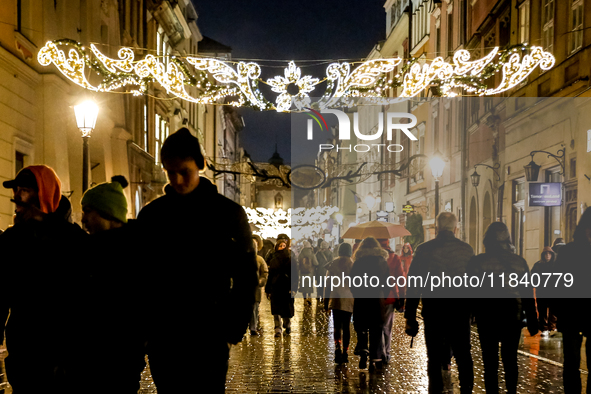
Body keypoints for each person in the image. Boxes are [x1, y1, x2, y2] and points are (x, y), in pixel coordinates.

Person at [137, 128, 258, 393]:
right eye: (171, 172)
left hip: (209, 333)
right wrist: (146, 331)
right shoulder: (153, 215)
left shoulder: (228, 214)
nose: (178, 180)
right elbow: (139, 274)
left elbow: (246, 275)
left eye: (185, 171)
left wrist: (232, 328)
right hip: (164, 334)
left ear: (200, 166)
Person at [0, 165, 86, 393]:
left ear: (44, 194)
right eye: (16, 190)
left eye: (25, 190)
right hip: (24, 352)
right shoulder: (12, 240)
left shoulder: (74, 240)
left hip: (66, 354)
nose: (17, 196)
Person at [70, 176, 146, 393]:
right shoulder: (87, 248)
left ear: (107, 213)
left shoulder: (134, 253)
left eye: (87, 211)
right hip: (90, 358)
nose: (83, 218)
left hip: (120, 357)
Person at [405, 212, 474, 394]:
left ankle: (435, 390)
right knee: (463, 355)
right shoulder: (467, 250)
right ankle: (466, 389)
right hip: (460, 310)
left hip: (434, 309)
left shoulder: (424, 249)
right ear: (455, 229)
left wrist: (410, 316)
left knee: (434, 357)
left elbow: (414, 283)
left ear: (437, 229)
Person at [467, 221, 538, 394]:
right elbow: (527, 292)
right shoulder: (519, 262)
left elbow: (470, 290)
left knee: (490, 361)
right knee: (510, 359)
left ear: (487, 240)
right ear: (508, 240)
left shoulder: (478, 262)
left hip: (487, 314)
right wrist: (532, 320)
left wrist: (470, 313)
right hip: (511, 314)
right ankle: (511, 391)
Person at [554, 207, 591, 394]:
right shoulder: (568, 251)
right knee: (571, 361)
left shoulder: (568, 251)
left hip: (577, 311)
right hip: (572, 311)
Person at [350, 237, 390, 372]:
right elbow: (387, 282)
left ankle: (363, 352)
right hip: (376, 298)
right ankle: (375, 358)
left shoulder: (358, 262)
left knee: (361, 328)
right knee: (376, 329)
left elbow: (352, 282)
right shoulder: (382, 262)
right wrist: (383, 295)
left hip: (362, 297)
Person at [323, 243, 354, 364]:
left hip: (335, 297)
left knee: (336, 325)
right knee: (346, 326)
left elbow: (327, 284)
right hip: (349, 299)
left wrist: (326, 302)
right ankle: (345, 352)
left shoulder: (333, 264)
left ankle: (337, 347)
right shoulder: (353, 264)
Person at [377, 239, 405, 365]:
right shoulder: (395, 258)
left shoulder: (373, 257)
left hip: (375, 295)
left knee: (377, 325)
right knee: (387, 326)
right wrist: (402, 296)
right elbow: (401, 278)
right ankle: (386, 353)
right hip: (390, 295)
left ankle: (379, 352)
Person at [265, 239, 297, 337]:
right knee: (276, 310)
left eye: (284, 245)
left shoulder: (291, 259)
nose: (282, 247)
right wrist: (268, 289)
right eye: (280, 246)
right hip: (276, 287)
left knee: (286, 310)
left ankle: (287, 325)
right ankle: (277, 329)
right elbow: (270, 275)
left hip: (287, 287)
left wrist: (294, 287)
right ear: (277, 247)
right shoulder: (274, 259)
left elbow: (295, 274)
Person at [531, 246, 557, 336]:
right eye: (546, 254)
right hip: (542, 290)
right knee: (542, 310)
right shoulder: (538, 265)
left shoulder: (555, 265)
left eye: (549, 254)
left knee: (553, 311)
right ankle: (544, 328)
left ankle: (551, 327)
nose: (547, 255)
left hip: (552, 291)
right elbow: (533, 276)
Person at [250, 235, 269, 336]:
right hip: (244, 288)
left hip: (255, 288)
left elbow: (265, 272)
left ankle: (253, 327)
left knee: (254, 308)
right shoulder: (242, 258)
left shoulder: (260, 259)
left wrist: (260, 281)